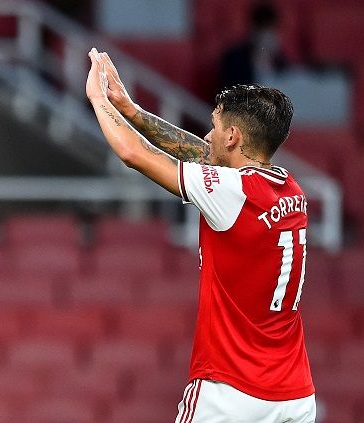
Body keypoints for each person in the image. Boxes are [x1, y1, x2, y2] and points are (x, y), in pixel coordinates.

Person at [86, 49, 315, 422]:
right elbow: (203, 157)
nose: (207, 135)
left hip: (230, 392)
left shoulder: (230, 192)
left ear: (233, 136)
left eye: (215, 126)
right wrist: (130, 110)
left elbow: (131, 153)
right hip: (295, 396)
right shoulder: (290, 189)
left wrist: (98, 101)